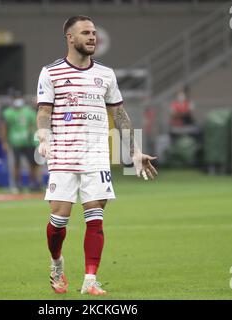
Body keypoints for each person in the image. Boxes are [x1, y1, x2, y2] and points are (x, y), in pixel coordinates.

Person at [36, 15, 158, 296]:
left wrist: (135, 151)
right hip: (64, 154)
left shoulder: (105, 74)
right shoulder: (50, 72)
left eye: (94, 33)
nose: (92, 37)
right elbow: (43, 112)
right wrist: (44, 136)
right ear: (70, 38)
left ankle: (90, 281)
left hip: (96, 156)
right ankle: (56, 263)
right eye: (86, 33)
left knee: (95, 217)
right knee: (59, 221)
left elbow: (119, 113)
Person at [0, 92, 41, 192]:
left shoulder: (28, 111)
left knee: (33, 164)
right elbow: (3, 128)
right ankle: (17, 184)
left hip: (29, 142)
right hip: (15, 142)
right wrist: (4, 142)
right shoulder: (8, 112)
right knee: (16, 164)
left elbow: (33, 124)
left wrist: (34, 137)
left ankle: (33, 183)